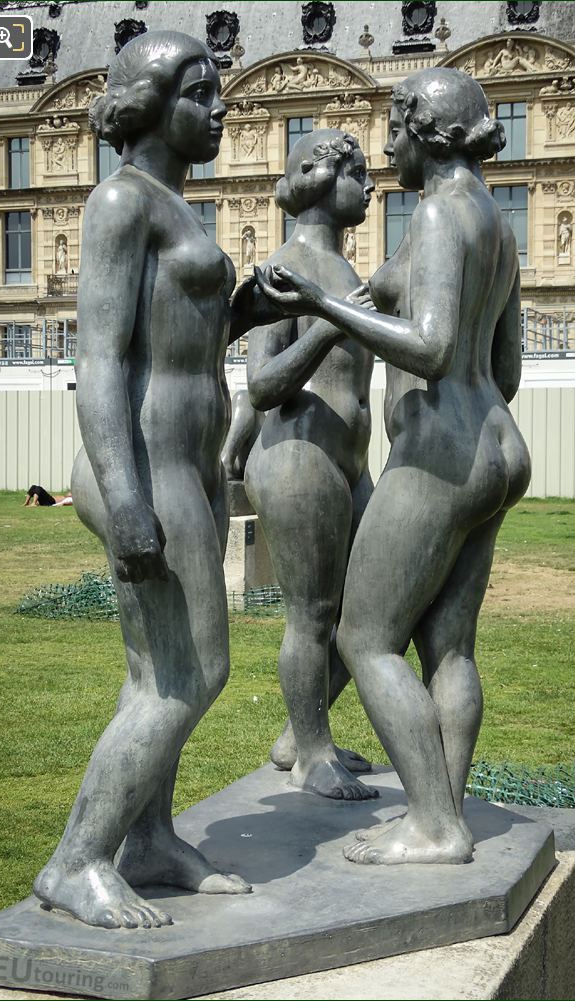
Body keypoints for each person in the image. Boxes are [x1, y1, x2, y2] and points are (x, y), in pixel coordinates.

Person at [256, 68, 530, 863]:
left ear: (424, 131)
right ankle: (444, 808)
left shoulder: (441, 214)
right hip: (496, 443)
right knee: (449, 649)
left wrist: (323, 306)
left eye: (395, 131)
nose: (386, 149)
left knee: (364, 639)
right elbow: (503, 364)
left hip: (440, 454)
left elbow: (435, 345)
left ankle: (433, 824)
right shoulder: (493, 219)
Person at [32, 30, 268, 931]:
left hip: (187, 465)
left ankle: (151, 838)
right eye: (202, 93)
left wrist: (248, 310)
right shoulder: (120, 202)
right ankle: (77, 859)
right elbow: (98, 361)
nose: (221, 108)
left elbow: (183, 344)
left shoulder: (173, 207)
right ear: (152, 103)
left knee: (159, 667)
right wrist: (126, 499)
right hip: (141, 467)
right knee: (188, 672)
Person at [244, 130, 377, 801]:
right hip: (299, 456)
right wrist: (327, 322)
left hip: (348, 461)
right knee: (313, 615)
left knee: (377, 614)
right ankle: (311, 750)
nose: (372, 186)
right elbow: (262, 385)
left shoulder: (349, 273)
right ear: (324, 179)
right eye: (360, 174)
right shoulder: (281, 269)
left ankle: (302, 731)